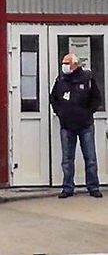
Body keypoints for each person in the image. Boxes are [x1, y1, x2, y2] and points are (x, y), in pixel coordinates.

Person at [51, 53, 103, 199]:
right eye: (63, 63)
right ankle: (67, 187)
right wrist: (60, 112)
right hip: (67, 125)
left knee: (90, 157)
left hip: (85, 124)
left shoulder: (87, 78)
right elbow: (53, 98)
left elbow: (96, 98)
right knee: (67, 159)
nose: (64, 66)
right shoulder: (61, 79)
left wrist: (87, 112)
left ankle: (93, 187)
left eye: (66, 63)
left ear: (75, 64)